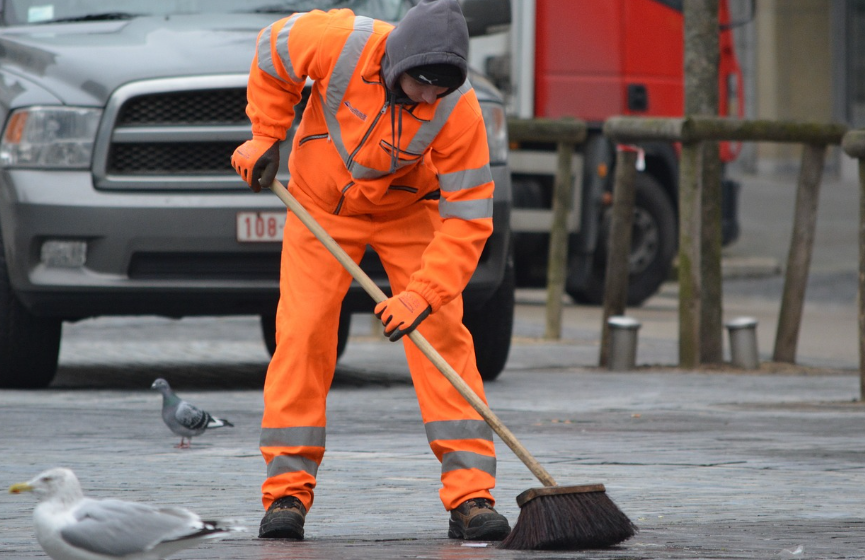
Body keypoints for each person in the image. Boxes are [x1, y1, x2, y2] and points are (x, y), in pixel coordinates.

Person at [231, 0, 510, 542]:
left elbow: (469, 219)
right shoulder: (337, 40)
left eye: (441, 89)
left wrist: (423, 294)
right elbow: (272, 52)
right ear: (398, 60)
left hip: (409, 212)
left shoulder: (460, 109)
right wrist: (266, 133)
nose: (430, 99)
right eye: (423, 85)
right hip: (320, 208)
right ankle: (286, 494)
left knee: (441, 334)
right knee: (303, 333)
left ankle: (471, 496)